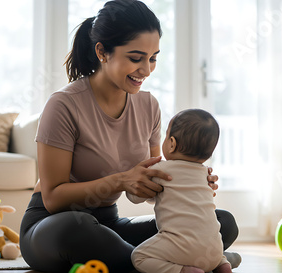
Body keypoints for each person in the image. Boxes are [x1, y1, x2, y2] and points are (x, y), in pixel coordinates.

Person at [19, 1, 239, 272]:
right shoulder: (64, 105)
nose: (146, 70)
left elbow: (150, 182)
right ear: (102, 51)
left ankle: (150, 263)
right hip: (54, 224)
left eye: (153, 58)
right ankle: (168, 263)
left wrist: (186, 179)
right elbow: (53, 197)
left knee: (222, 222)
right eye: (136, 58)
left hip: (110, 225)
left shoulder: (149, 106)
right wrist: (122, 180)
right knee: (77, 229)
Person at [127, 109, 232, 273]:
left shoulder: (160, 169)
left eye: (166, 134)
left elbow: (135, 196)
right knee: (212, 233)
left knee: (139, 256)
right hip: (214, 247)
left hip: (181, 247)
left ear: (172, 143)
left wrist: (132, 179)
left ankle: (184, 270)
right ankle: (222, 263)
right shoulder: (205, 173)